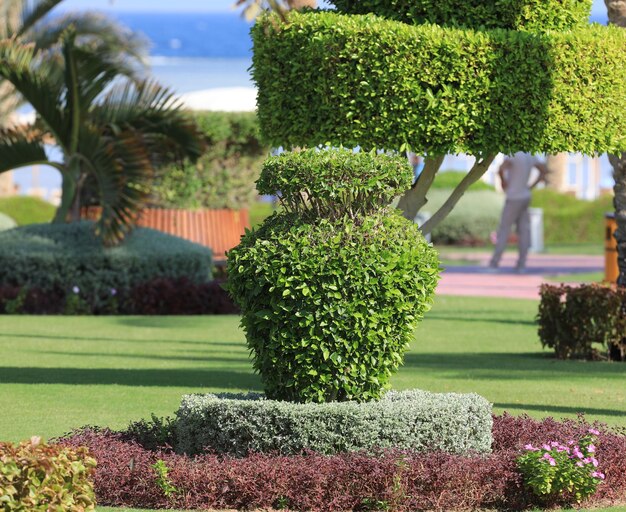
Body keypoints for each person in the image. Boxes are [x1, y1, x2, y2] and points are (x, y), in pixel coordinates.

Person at [489, 152, 549, 272]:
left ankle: (494, 262)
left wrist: (503, 181)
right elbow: (544, 170)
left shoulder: (513, 154)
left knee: (504, 229)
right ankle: (521, 264)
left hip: (513, 197)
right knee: (524, 231)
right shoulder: (530, 155)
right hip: (525, 196)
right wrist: (532, 186)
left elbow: (500, 168)